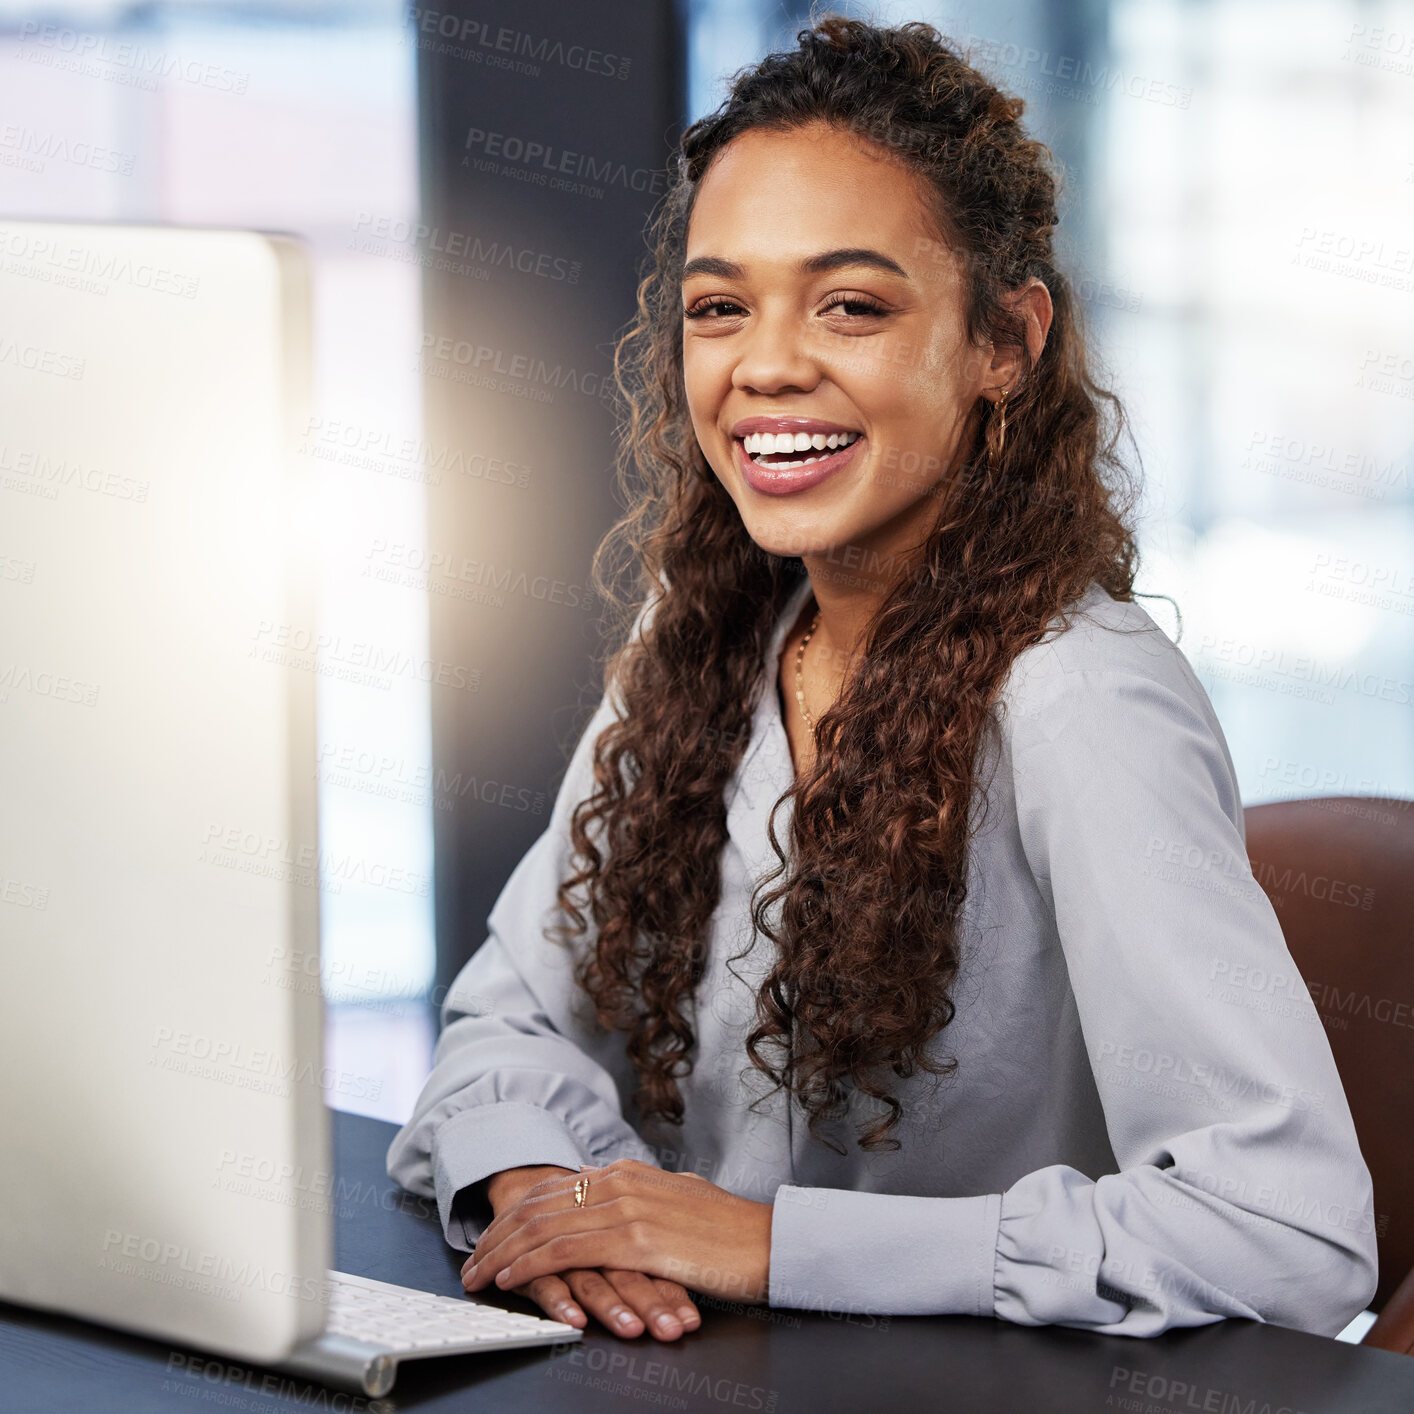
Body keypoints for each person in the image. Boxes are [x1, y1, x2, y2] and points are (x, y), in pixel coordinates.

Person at [386, 15, 1378, 1346]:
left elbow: (1288, 1230)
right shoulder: (707, 642)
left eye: (850, 303)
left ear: (1002, 342)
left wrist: (767, 1238)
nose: (766, 364)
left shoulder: (1080, 701)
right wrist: (556, 1196)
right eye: (718, 306)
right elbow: (503, 1024)